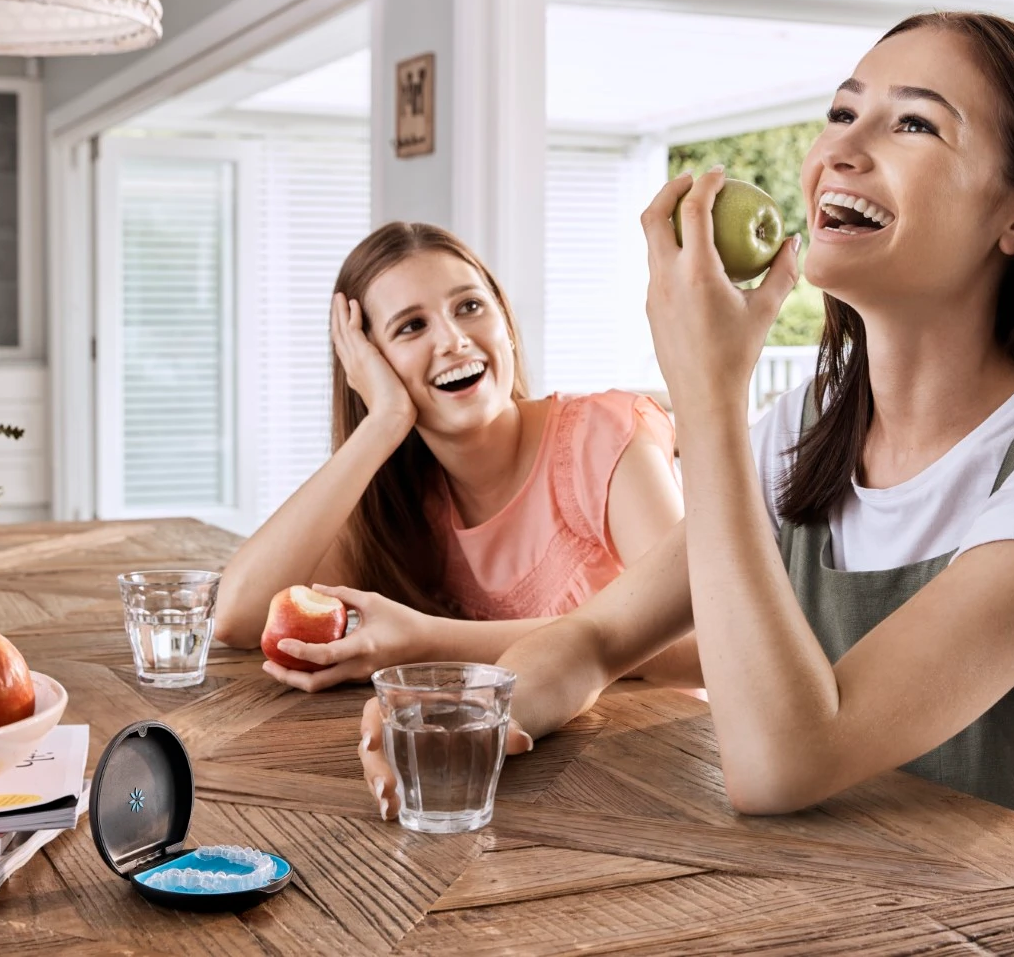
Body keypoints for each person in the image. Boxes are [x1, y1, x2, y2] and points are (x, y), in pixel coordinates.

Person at [357, 12, 1014, 854]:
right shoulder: (808, 431)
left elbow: (783, 765)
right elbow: (597, 637)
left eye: (914, 124)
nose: (841, 151)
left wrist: (708, 394)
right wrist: (466, 713)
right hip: (813, 895)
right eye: (843, 113)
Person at [212, 221, 698, 691]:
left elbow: (701, 640)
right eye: (412, 326)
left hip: (654, 743)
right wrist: (382, 422)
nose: (453, 340)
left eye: (469, 306)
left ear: (505, 323)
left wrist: (432, 641)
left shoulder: (605, 436)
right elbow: (238, 618)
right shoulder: (398, 500)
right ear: (371, 365)